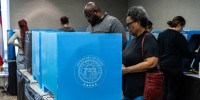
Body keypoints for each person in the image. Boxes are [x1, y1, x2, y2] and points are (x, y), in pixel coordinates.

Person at [157, 16, 198, 100]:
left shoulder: (161, 35)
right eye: (182, 27)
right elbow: (186, 53)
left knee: (165, 89)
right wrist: (195, 53)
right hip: (174, 67)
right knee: (172, 91)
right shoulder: (179, 36)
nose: (182, 29)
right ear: (179, 24)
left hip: (163, 65)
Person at [122, 6, 159, 100]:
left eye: (129, 24)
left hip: (141, 92)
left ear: (138, 23)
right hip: (129, 90)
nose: (127, 27)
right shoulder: (134, 40)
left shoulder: (148, 38)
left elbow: (151, 63)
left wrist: (126, 70)